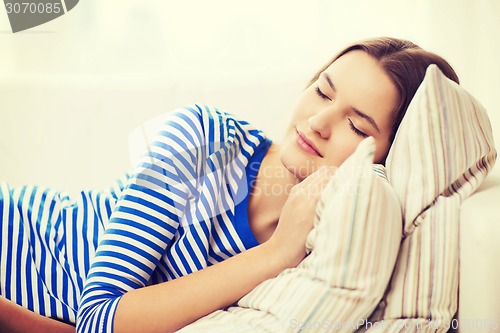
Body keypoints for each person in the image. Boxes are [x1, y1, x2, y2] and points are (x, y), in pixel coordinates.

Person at [0, 37, 459, 333]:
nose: (319, 122)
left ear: (385, 159)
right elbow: (99, 320)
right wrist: (276, 252)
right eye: (322, 91)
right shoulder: (202, 136)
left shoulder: (338, 251)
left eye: (357, 127)